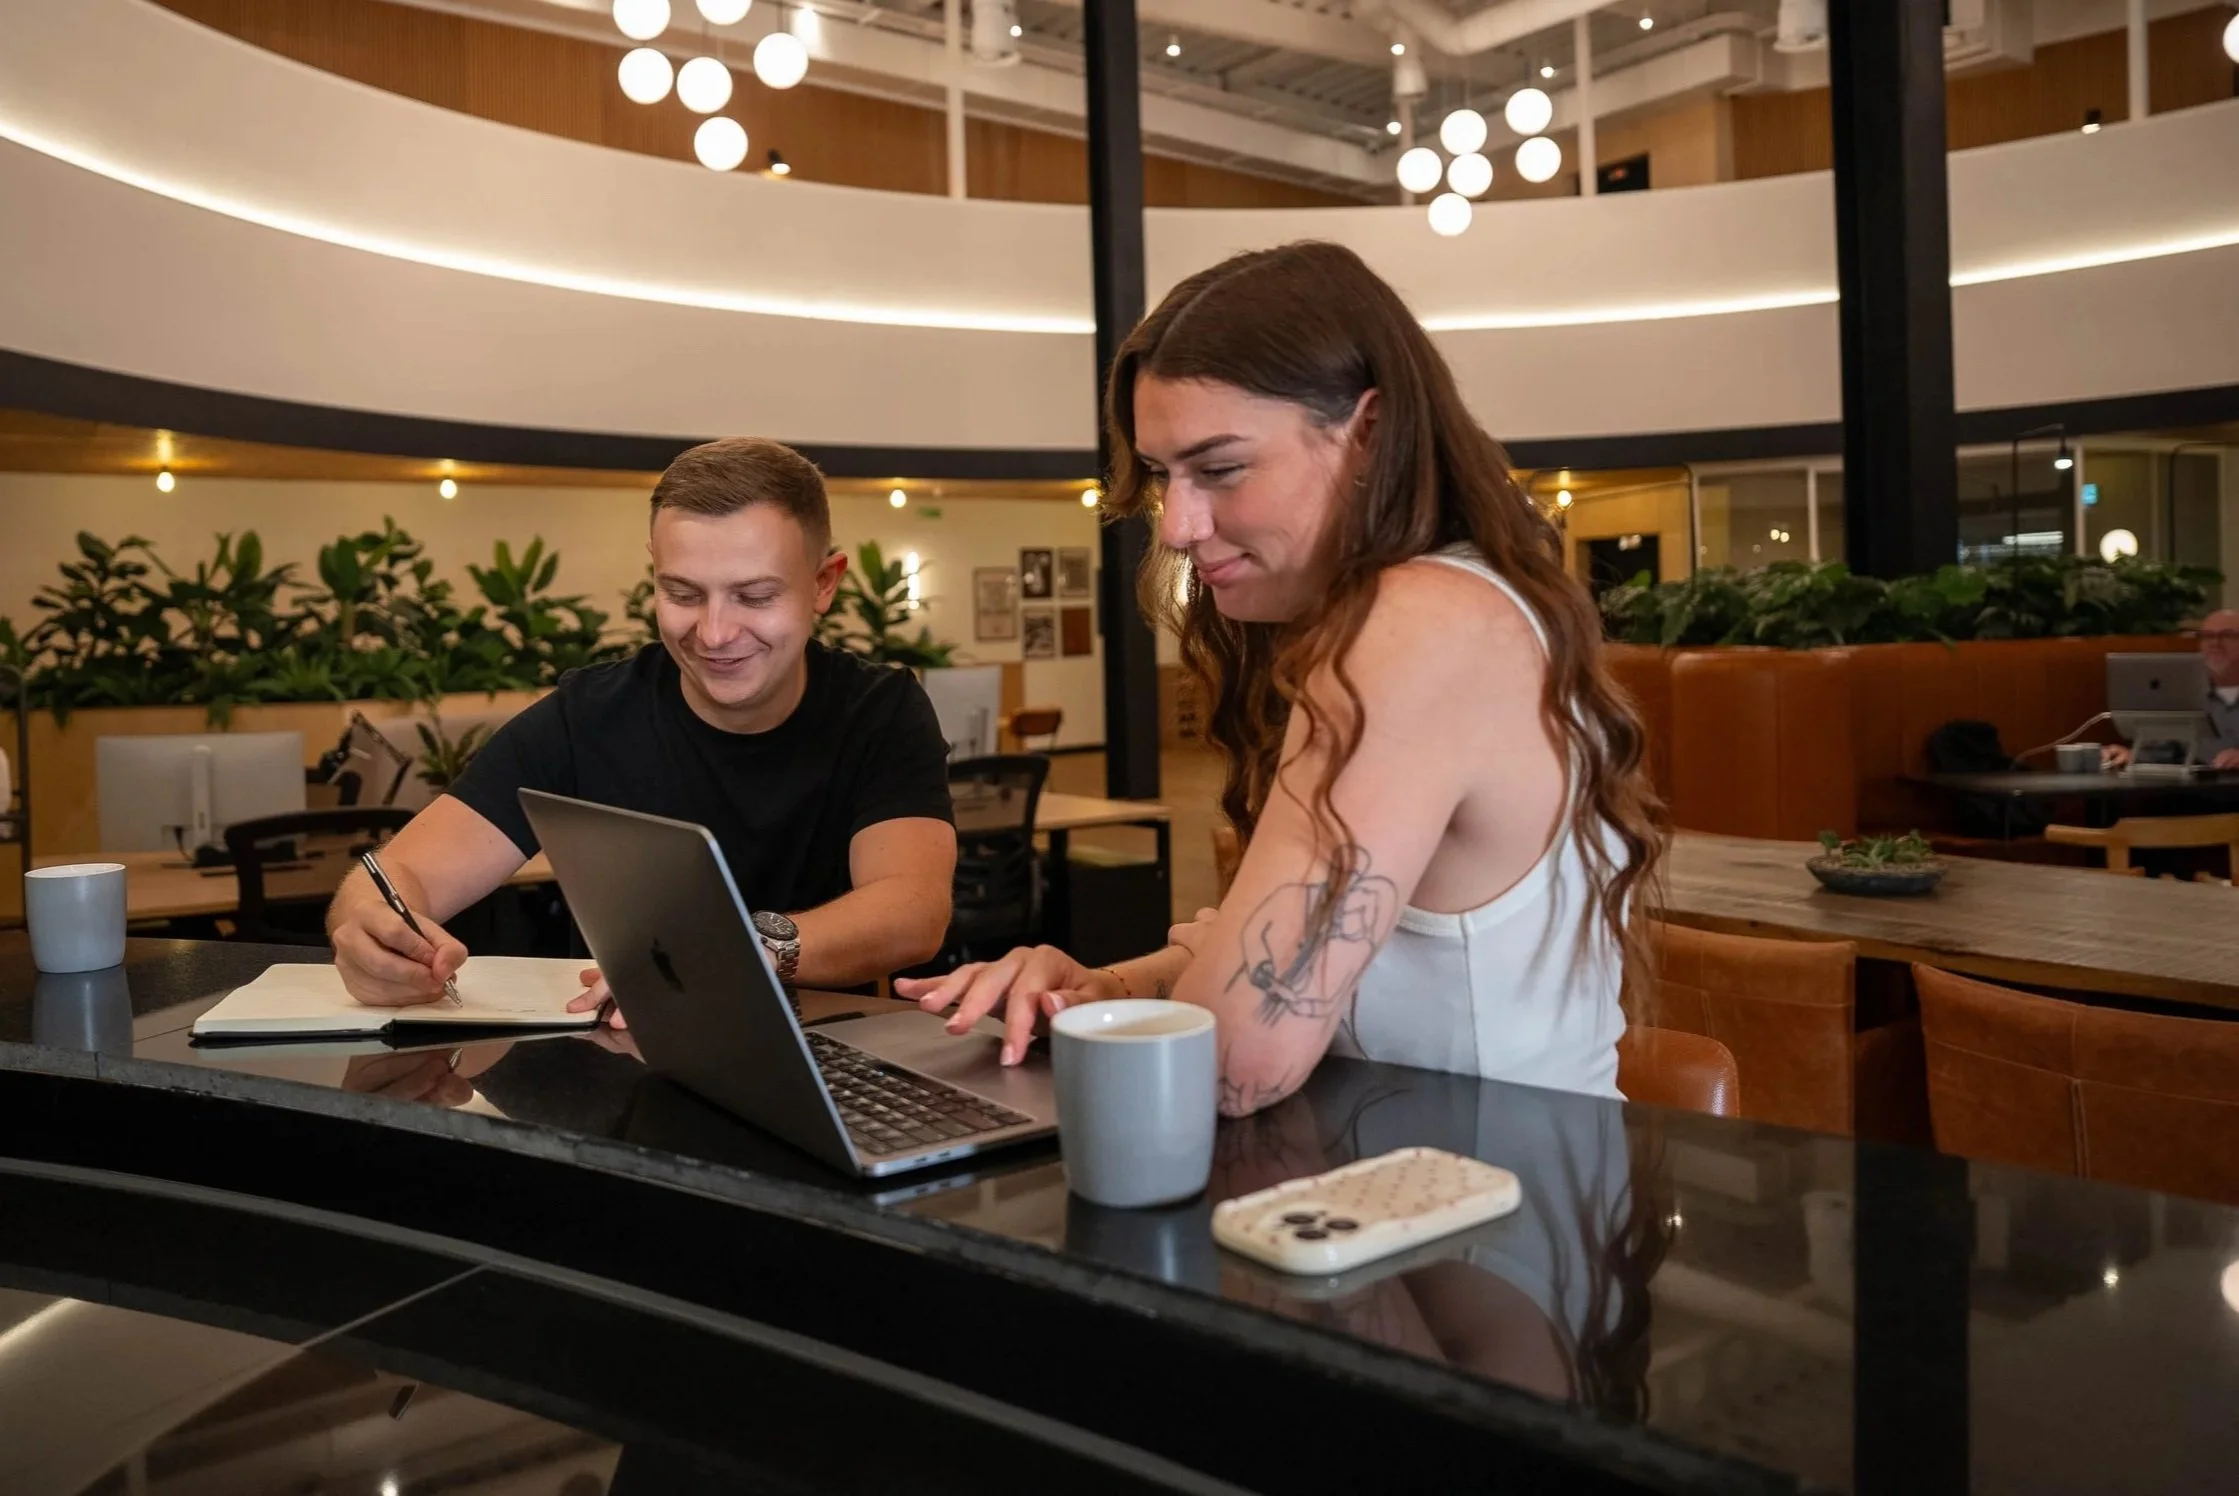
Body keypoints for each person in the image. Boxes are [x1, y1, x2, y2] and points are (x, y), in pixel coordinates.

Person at [899, 241, 1663, 1114]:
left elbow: (1235, 1059)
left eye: (1220, 469)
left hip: (1492, 1220)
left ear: (1367, 434)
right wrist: (1108, 986)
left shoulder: (1415, 627)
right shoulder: (1444, 607)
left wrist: (1178, 987)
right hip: (1426, 1192)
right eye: (1161, 477)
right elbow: (1297, 953)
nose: (1179, 525)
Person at [327, 437, 959, 1012]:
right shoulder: (587, 718)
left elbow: (912, 909)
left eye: (755, 596)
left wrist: (743, 952)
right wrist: (369, 927)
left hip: (831, 1061)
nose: (714, 633)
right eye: (682, 593)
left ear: (824, 584)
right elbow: (394, 877)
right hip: (623, 1062)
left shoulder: (880, 711)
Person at [2103, 609, 2239, 769]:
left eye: (2227, 635)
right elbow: (2168, 749)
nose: (2215, 643)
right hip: (2200, 788)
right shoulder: (2184, 694)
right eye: (2208, 636)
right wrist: (2131, 755)